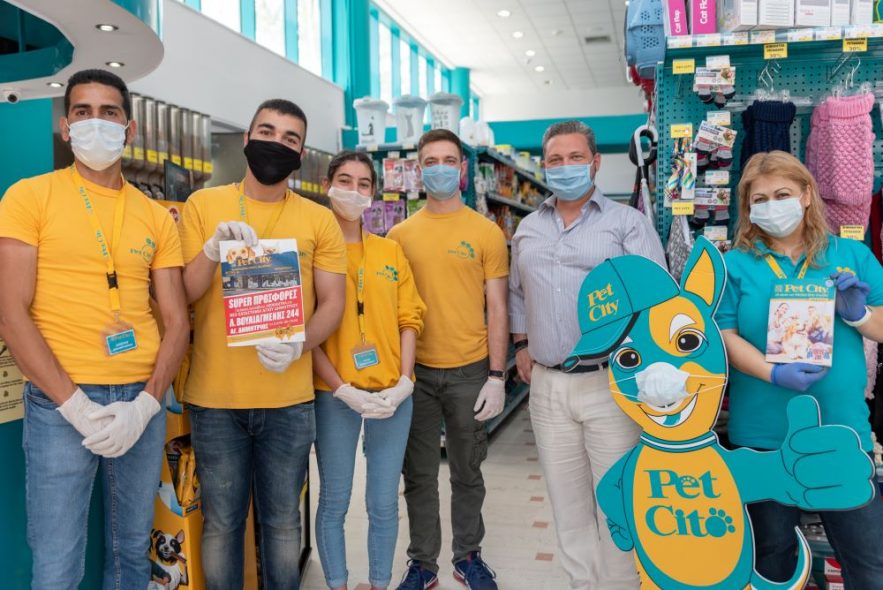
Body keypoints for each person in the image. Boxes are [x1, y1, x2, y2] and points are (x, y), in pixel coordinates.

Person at [0, 69, 189, 589]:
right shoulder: (29, 198)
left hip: (140, 400)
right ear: (66, 128)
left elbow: (177, 320)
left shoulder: (155, 216)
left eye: (109, 112)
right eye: (83, 112)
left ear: (130, 130)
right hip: (59, 403)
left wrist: (147, 404)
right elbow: (11, 312)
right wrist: (74, 406)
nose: (95, 122)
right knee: (58, 560)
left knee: (131, 552)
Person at [179, 99, 346, 589]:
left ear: (301, 153)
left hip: (289, 400)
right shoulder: (203, 205)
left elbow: (332, 304)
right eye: (267, 131)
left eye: (290, 138)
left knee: (283, 523)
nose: (277, 143)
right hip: (215, 399)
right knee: (221, 523)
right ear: (247, 138)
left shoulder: (319, 220)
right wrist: (211, 250)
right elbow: (185, 293)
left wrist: (299, 344)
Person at [509, 120, 665, 590]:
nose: (565, 167)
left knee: (615, 502)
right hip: (548, 385)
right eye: (555, 159)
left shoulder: (627, 224)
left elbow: (657, 297)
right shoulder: (528, 228)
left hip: (610, 382)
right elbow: (517, 292)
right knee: (567, 504)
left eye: (575, 157)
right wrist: (521, 344)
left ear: (595, 163)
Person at [716, 150, 883, 588]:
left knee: (870, 562)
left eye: (782, 194)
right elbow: (724, 336)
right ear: (747, 207)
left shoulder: (851, 254)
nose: (772, 206)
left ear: (807, 195)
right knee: (772, 560)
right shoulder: (733, 265)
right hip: (762, 439)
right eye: (760, 199)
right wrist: (772, 372)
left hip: (841, 431)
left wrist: (859, 314)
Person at [388, 129, 509, 590]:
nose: (439, 167)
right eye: (430, 161)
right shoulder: (398, 236)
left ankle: (468, 556)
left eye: (448, 160)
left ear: (462, 168)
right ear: (419, 170)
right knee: (418, 474)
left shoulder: (486, 232)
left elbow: (498, 308)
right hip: (414, 375)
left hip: (469, 371)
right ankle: (422, 563)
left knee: (467, 471)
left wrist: (496, 375)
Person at [312, 151, 426, 590]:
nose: (353, 191)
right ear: (327, 185)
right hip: (333, 395)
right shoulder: (314, 252)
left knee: (383, 502)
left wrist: (405, 381)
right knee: (335, 500)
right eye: (345, 180)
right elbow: (307, 333)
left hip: (391, 395)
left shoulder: (390, 251)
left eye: (363, 184)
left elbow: (409, 319)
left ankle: (380, 583)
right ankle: (338, 584)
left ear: (374, 193)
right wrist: (340, 388)